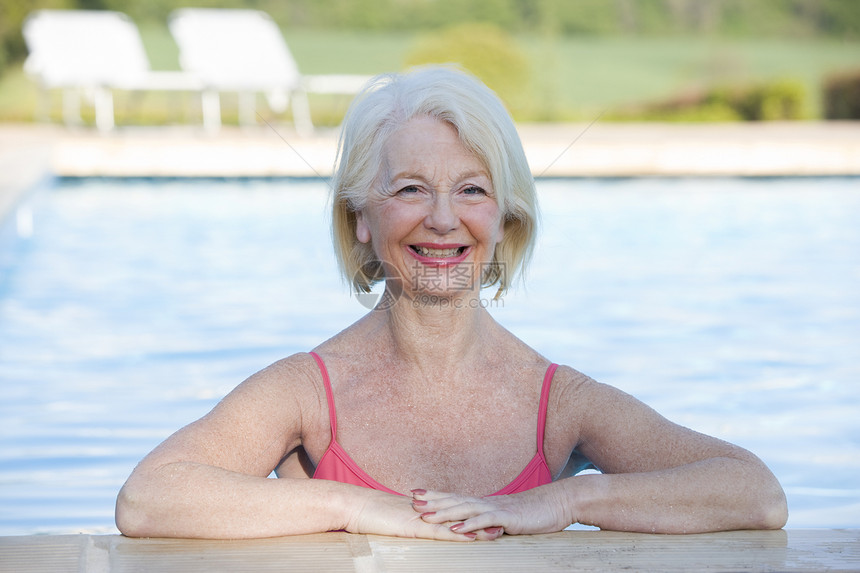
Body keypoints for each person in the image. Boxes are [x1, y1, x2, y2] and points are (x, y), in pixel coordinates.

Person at [115, 66, 787, 541]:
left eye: (470, 190)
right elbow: (147, 499)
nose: (442, 219)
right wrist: (355, 507)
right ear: (360, 216)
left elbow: (755, 492)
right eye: (410, 188)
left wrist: (567, 501)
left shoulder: (563, 402)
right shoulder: (306, 391)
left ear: (504, 220)